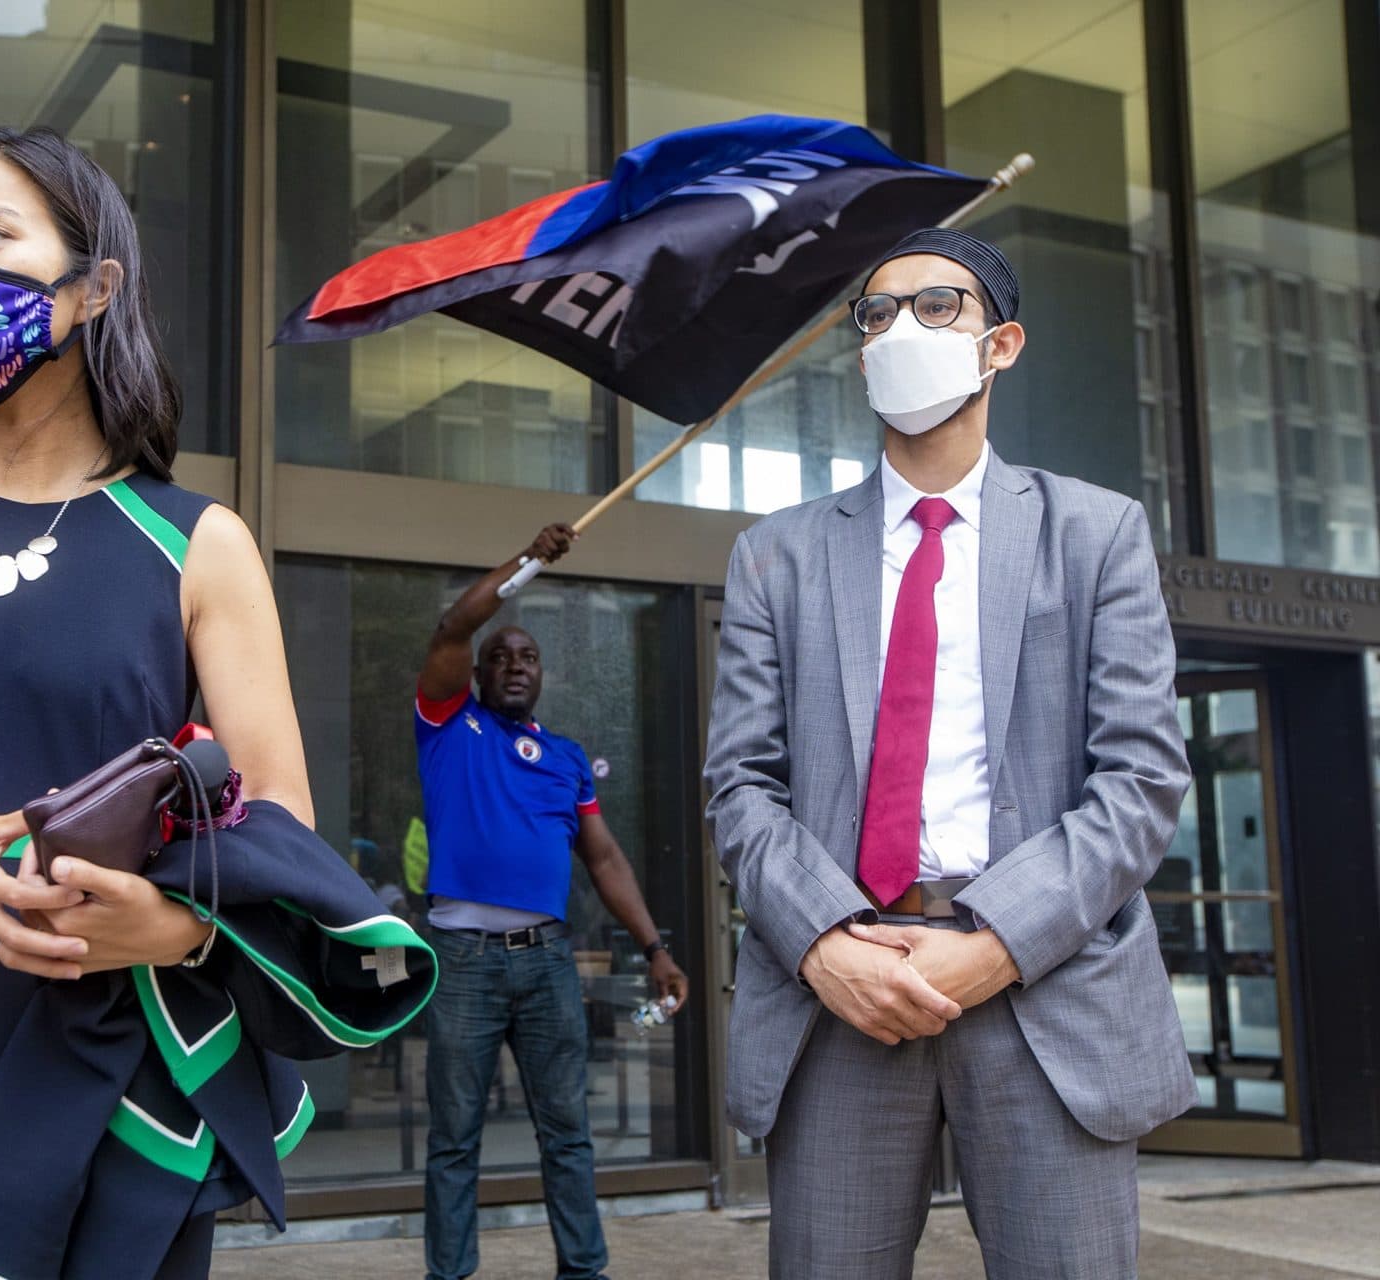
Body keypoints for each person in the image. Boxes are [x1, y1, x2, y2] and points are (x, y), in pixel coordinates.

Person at [0, 125, 432, 1280]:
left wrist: (171, 924)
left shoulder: (200, 544)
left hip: (108, 1064)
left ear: (93, 287)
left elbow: (284, 831)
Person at [704, 227, 1194, 1277]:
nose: (899, 329)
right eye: (875, 314)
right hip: (843, 995)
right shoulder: (774, 556)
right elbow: (741, 786)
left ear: (1000, 342)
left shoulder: (1097, 533)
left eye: (937, 307)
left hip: (1043, 989)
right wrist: (827, 943)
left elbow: (1142, 779)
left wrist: (997, 944)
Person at [415, 527, 690, 1280]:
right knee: (454, 1139)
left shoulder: (567, 758)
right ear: (476, 673)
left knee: (567, 1133)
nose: (512, 665)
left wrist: (655, 948)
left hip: (545, 965)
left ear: (542, 676)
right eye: (498, 656)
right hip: (462, 962)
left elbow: (604, 859)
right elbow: (454, 624)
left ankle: (584, 1270)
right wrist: (530, 561)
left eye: (526, 657)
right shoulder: (447, 725)